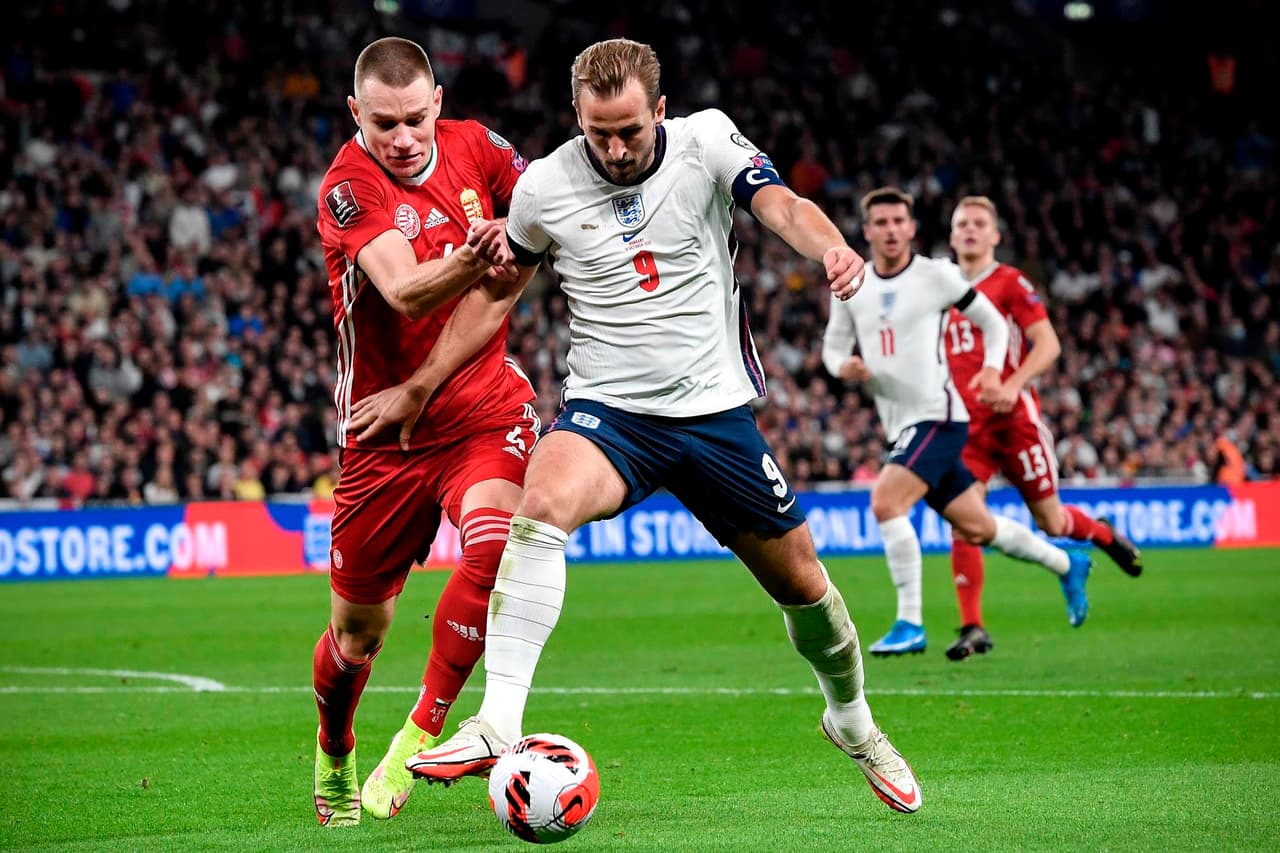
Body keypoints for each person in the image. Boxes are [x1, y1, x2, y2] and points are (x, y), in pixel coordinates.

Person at [398, 38, 921, 814]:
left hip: (714, 415)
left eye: (630, 132)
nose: (612, 148)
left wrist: (833, 248)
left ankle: (852, 721)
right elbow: (499, 287)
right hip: (611, 415)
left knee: (809, 590)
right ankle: (496, 719)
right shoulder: (545, 185)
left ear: (661, 112)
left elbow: (781, 204)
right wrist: (420, 384)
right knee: (539, 502)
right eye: (597, 131)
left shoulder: (708, 140)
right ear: (577, 116)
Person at [310, 36, 538, 827]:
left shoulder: (482, 149)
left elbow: (538, 230)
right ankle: (335, 746)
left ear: (438, 101)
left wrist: (523, 245)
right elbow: (406, 291)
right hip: (383, 433)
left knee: (497, 542)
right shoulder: (348, 186)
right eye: (383, 124)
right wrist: (489, 255)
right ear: (355, 114)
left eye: (415, 118)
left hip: (482, 407)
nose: (403, 138)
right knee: (357, 633)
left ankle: (421, 733)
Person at [821, 187, 1092, 659]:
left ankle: (909, 622)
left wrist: (991, 369)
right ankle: (1067, 562)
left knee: (886, 503)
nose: (889, 231)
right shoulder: (852, 284)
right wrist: (843, 367)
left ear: (911, 228)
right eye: (879, 223)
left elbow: (992, 323)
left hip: (939, 416)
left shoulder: (936, 277)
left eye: (897, 222)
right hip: (899, 423)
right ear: (866, 232)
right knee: (980, 528)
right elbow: (832, 348)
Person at [942, 196, 1142, 661]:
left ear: (995, 236)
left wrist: (1013, 385)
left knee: (1050, 521)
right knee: (964, 520)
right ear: (952, 236)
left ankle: (1103, 536)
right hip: (964, 428)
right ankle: (973, 626)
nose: (970, 230)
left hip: (1014, 422)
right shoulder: (941, 286)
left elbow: (1047, 344)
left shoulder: (1009, 282)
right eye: (962, 224)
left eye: (979, 224)